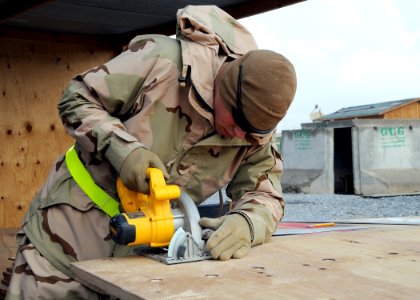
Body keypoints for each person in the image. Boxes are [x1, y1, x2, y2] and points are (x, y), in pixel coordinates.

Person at [6, 5, 297, 299]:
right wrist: (123, 151)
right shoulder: (161, 60)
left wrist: (248, 222)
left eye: (252, 134)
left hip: (139, 269)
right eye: (237, 124)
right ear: (222, 87)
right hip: (62, 246)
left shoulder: (252, 129)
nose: (239, 137)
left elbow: (265, 195)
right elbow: (77, 98)